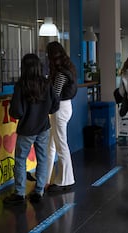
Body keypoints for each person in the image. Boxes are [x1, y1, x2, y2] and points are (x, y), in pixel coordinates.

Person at [4, 53, 59, 205]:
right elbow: (55, 104)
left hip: (27, 129)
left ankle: (20, 193)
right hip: (43, 127)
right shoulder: (47, 83)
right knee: (42, 158)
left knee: (21, 160)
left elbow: (17, 111)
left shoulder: (21, 85)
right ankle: (39, 190)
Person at [45, 41, 77, 193]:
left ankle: (65, 180)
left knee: (60, 145)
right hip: (65, 107)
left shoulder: (60, 73)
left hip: (59, 109)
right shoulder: (67, 69)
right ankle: (45, 178)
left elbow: (55, 94)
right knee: (52, 145)